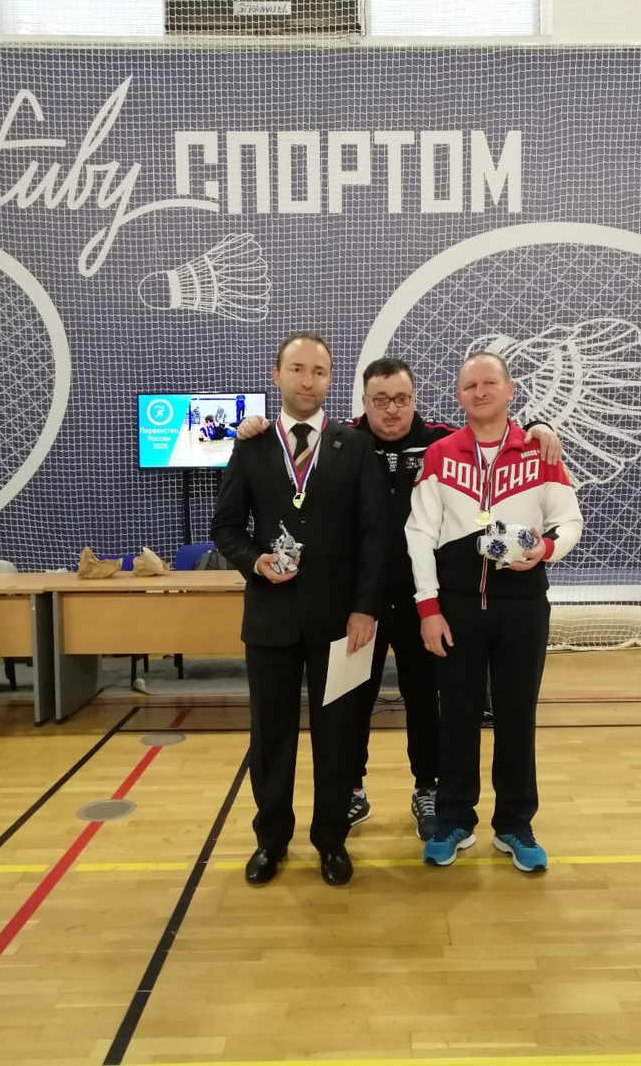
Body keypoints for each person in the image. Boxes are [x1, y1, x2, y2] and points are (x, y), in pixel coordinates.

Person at [236, 357, 561, 841]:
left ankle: (427, 787)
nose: (392, 410)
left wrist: (539, 428)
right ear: (364, 402)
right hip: (357, 606)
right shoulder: (341, 442)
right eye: (381, 400)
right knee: (350, 702)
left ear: (414, 399)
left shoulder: (440, 441)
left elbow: (490, 430)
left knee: (425, 702)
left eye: (402, 399)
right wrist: (255, 425)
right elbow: (292, 440)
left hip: (424, 604)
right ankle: (351, 787)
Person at [211, 332, 386, 888]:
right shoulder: (252, 445)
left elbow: (374, 537)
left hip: (341, 623)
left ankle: (331, 840)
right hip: (271, 618)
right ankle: (271, 840)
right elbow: (225, 527)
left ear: (330, 379)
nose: (308, 381)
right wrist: (255, 562)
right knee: (270, 736)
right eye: (297, 369)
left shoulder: (355, 447)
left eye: (319, 371)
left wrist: (365, 609)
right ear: (277, 374)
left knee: (338, 737)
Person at [405, 351, 583, 872]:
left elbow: (569, 520)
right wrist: (428, 608)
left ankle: (514, 824)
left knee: (516, 716)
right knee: (457, 717)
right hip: (456, 609)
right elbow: (419, 535)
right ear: (458, 395)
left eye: (489, 383)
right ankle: (455, 820)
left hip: (522, 608)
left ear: (510, 389)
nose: (479, 393)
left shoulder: (540, 451)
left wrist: (545, 550)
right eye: (469, 386)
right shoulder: (439, 454)